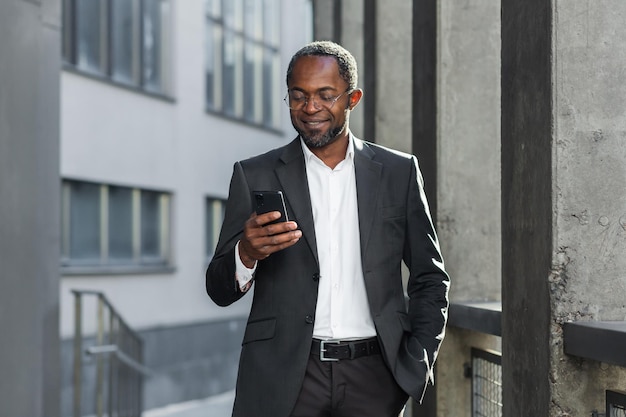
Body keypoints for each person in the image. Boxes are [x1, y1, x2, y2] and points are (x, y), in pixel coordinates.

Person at [206, 40, 450, 417]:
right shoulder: (253, 174)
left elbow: (430, 278)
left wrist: (415, 363)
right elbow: (218, 289)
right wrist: (246, 254)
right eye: (298, 96)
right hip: (286, 377)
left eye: (325, 95)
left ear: (352, 99)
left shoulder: (398, 173)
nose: (310, 108)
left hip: (375, 377)